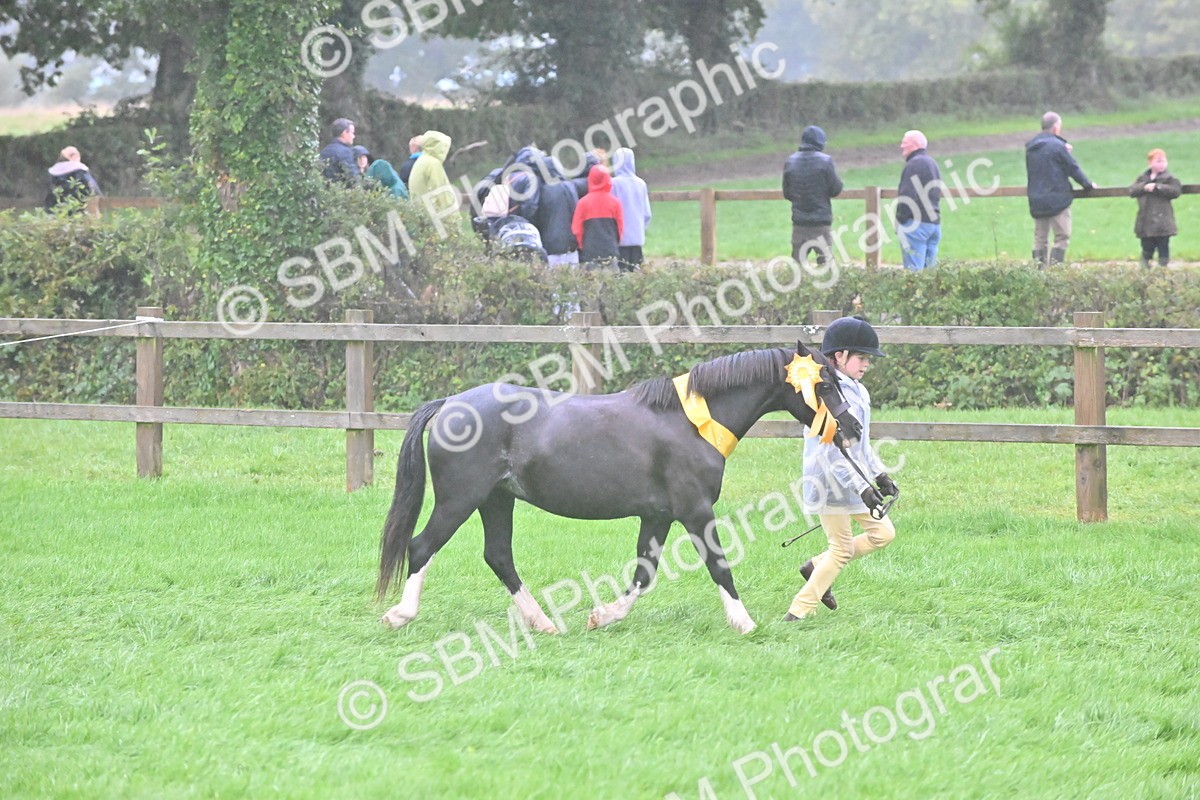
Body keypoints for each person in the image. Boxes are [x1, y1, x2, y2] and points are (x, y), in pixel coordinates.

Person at [785, 316, 897, 623]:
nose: (866, 365)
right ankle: (798, 611)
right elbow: (831, 453)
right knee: (842, 549)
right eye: (861, 358)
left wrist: (879, 474)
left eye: (867, 359)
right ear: (840, 356)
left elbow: (860, 444)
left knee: (883, 533)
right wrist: (862, 486)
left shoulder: (858, 390)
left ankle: (814, 566)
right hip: (830, 482)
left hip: (854, 481)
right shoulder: (826, 396)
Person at [1025, 111, 1097, 267]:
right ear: (1056, 127)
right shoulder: (1058, 147)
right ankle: (1055, 272)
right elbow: (1072, 168)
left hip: (1036, 198)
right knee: (1061, 237)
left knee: (1040, 239)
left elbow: (1046, 163)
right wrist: (1088, 185)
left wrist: (1063, 151)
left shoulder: (1031, 148)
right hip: (1057, 198)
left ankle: (1038, 273)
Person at [782, 125, 843, 266]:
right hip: (821, 223)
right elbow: (836, 189)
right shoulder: (825, 161)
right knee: (826, 266)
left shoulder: (790, 161)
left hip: (799, 223)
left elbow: (787, 192)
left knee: (797, 267)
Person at [894, 130, 942, 271]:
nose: (902, 146)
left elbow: (907, 195)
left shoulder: (914, 164)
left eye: (905, 143)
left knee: (913, 273)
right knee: (930, 274)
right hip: (933, 224)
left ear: (914, 145)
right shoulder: (932, 163)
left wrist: (900, 220)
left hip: (916, 225)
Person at [1129, 148, 1181, 268]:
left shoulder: (1170, 179)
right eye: (1158, 161)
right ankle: (1145, 271)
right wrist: (1144, 187)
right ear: (1150, 163)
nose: (1161, 164)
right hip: (1145, 221)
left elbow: (1176, 191)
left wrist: (1158, 187)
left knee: (1163, 249)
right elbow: (1132, 190)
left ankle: (1162, 272)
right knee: (1146, 249)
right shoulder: (1143, 178)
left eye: (1163, 161)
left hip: (1163, 222)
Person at [571, 165, 623, 268]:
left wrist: (583, 246)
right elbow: (620, 228)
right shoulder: (615, 202)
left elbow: (576, 229)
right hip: (610, 250)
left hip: (590, 252)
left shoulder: (582, 203)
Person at [609, 147, 651, 271]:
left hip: (620, 238)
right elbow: (646, 213)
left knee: (621, 274)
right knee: (636, 273)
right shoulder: (641, 184)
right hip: (637, 236)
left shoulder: (614, 184)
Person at [408, 130, 457, 224]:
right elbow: (441, 193)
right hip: (436, 221)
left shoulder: (422, 160)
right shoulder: (433, 164)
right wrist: (452, 221)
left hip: (421, 217)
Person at [44, 146, 102, 213]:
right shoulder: (81, 172)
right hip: (79, 213)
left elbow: (46, 198)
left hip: (55, 214)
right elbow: (93, 192)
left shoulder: (50, 173)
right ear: (74, 157)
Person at [319, 118, 360, 184]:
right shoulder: (345, 152)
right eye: (352, 133)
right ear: (344, 133)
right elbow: (352, 179)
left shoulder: (324, 151)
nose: (354, 136)